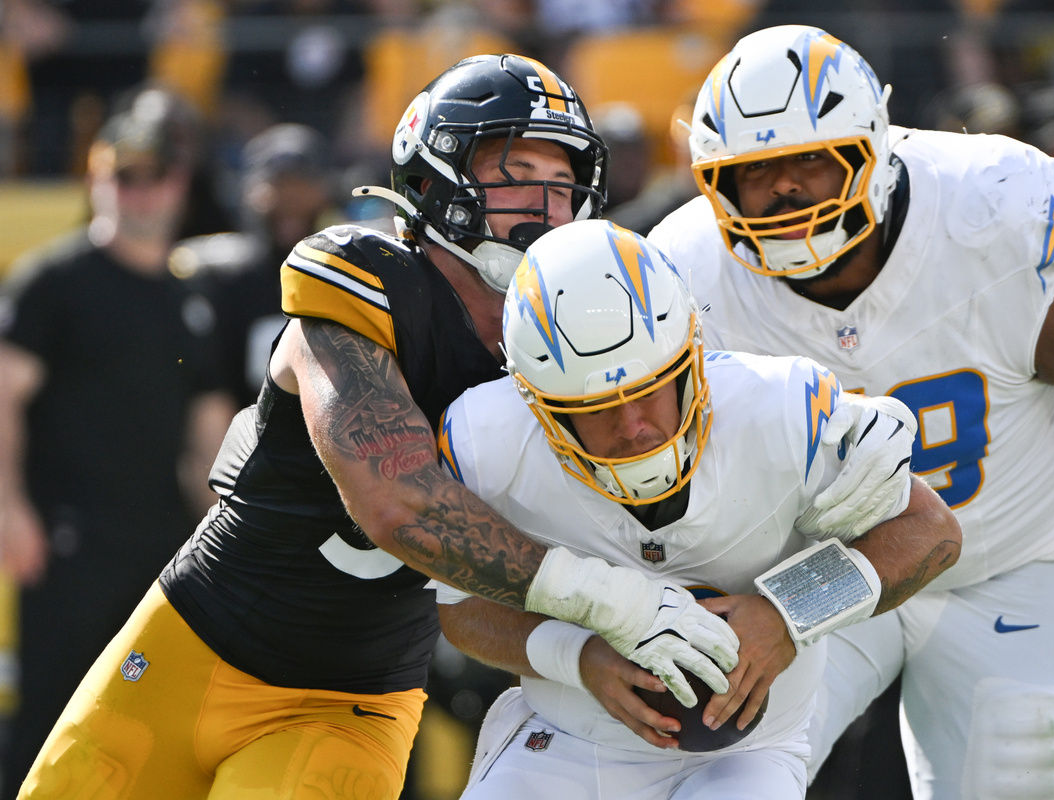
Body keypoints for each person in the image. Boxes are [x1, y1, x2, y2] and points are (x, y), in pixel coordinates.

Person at [13, 55, 745, 799]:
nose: (549, 205)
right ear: (432, 182)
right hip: (192, 641)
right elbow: (398, 504)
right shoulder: (364, 282)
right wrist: (612, 603)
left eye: (563, 183)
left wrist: (594, 647)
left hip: (350, 703)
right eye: (520, 171)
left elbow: (470, 611)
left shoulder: (592, 344)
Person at [646, 24, 1054, 800]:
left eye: (810, 158)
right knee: (713, 779)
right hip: (811, 576)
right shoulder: (687, 277)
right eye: (755, 171)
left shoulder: (989, 219)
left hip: (1007, 560)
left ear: (871, 150)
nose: (785, 188)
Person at [433, 218, 962, 799]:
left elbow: (930, 531)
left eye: (650, 387)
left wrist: (788, 613)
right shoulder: (486, 439)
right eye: (595, 406)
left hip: (748, 753)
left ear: (693, 356)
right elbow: (464, 613)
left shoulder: (781, 410)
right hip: (571, 736)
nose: (633, 426)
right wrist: (580, 656)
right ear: (535, 402)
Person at [0, 100, 235, 795]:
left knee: (151, 728)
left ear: (179, 182)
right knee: (52, 719)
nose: (139, 188)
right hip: (69, 540)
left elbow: (210, 437)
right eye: (121, 172)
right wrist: (10, 508)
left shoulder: (188, 295)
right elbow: (4, 396)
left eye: (154, 172)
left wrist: (227, 538)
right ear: (96, 177)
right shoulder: (55, 279)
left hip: (161, 550)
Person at [175, 122, 335, 408]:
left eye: (301, 185)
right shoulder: (222, 280)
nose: (290, 200)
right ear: (248, 192)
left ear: (324, 191)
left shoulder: (346, 277)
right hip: (243, 440)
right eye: (278, 186)